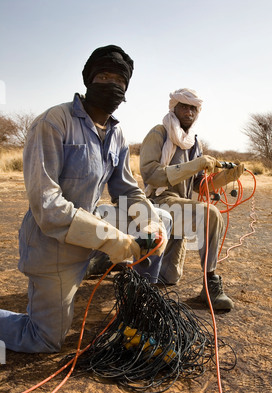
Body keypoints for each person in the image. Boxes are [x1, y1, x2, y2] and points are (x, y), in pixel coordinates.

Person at [0, 45, 170, 354]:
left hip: (91, 242)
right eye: (104, 76)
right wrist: (112, 240)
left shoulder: (116, 135)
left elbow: (128, 190)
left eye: (120, 81)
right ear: (89, 80)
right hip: (53, 246)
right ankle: (107, 258)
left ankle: (139, 296)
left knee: (164, 221)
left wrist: (151, 222)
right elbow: (48, 206)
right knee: (44, 339)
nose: (113, 85)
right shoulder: (54, 122)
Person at [140, 88, 244, 311]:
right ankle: (210, 286)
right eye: (184, 106)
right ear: (174, 108)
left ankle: (127, 260)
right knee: (211, 214)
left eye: (193, 108)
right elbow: (151, 175)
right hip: (157, 203)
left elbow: (199, 184)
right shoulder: (159, 133)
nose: (189, 111)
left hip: (180, 205)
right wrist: (194, 165)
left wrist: (225, 178)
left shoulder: (193, 143)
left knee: (169, 278)